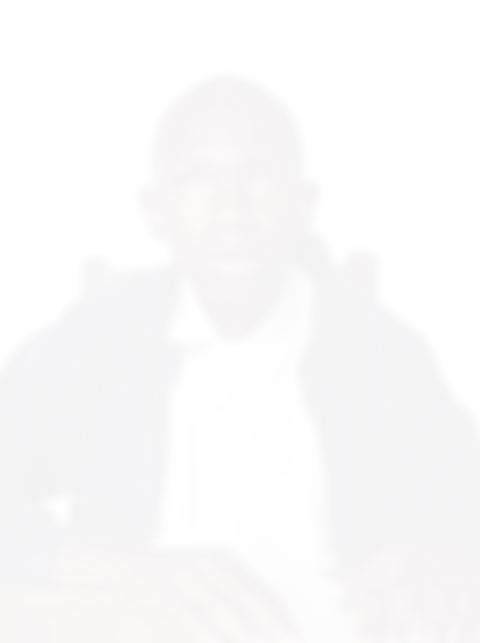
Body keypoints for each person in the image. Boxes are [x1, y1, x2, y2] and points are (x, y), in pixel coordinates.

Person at [1, 76, 480, 642]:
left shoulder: (377, 350)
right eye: (196, 178)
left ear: (304, 205)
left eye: (259, 175)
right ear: (154, 211)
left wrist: (442, 553)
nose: (231, 210)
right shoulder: (101, 339)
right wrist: (124, 573)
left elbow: (461, 503)